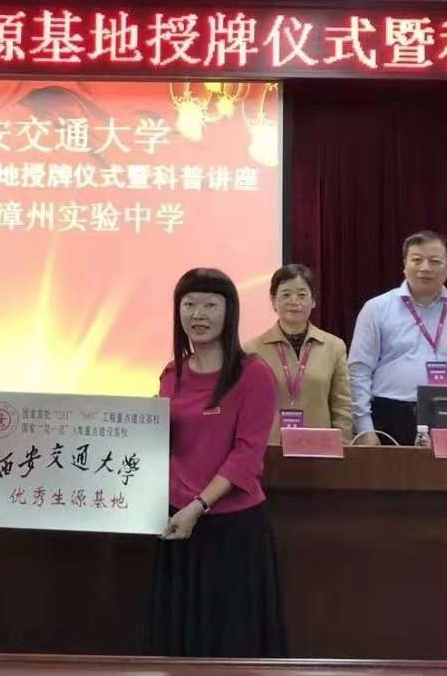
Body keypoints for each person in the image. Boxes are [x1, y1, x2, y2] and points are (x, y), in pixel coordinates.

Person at [147, 267, 283, 658]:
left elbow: (247, 455)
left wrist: (199, 505)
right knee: (179, 640)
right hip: (177, 522)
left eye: (210, 305)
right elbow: (164, 443)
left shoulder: (254, 375)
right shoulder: (171, 374)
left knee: (229, 639)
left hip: (230, 527)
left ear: (230, 312)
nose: (198, 314)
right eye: (189, 304)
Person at [349, 231, 447, 447]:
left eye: (435, 261)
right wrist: (364, 428)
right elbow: (358, 372)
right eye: (416, 260)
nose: (425, 268)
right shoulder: (376, 309)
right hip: (388, 415)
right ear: (404, 265)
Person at [244, 264, 353, 443]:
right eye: (286, 294)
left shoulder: (334, 347)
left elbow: (342, 407)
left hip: (319, 449)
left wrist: (342, 447)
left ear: (313, 301)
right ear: (273, 301)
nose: (294, 301)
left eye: (302, 295)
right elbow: (246, 408)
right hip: (268, 449)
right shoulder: (252, 350)